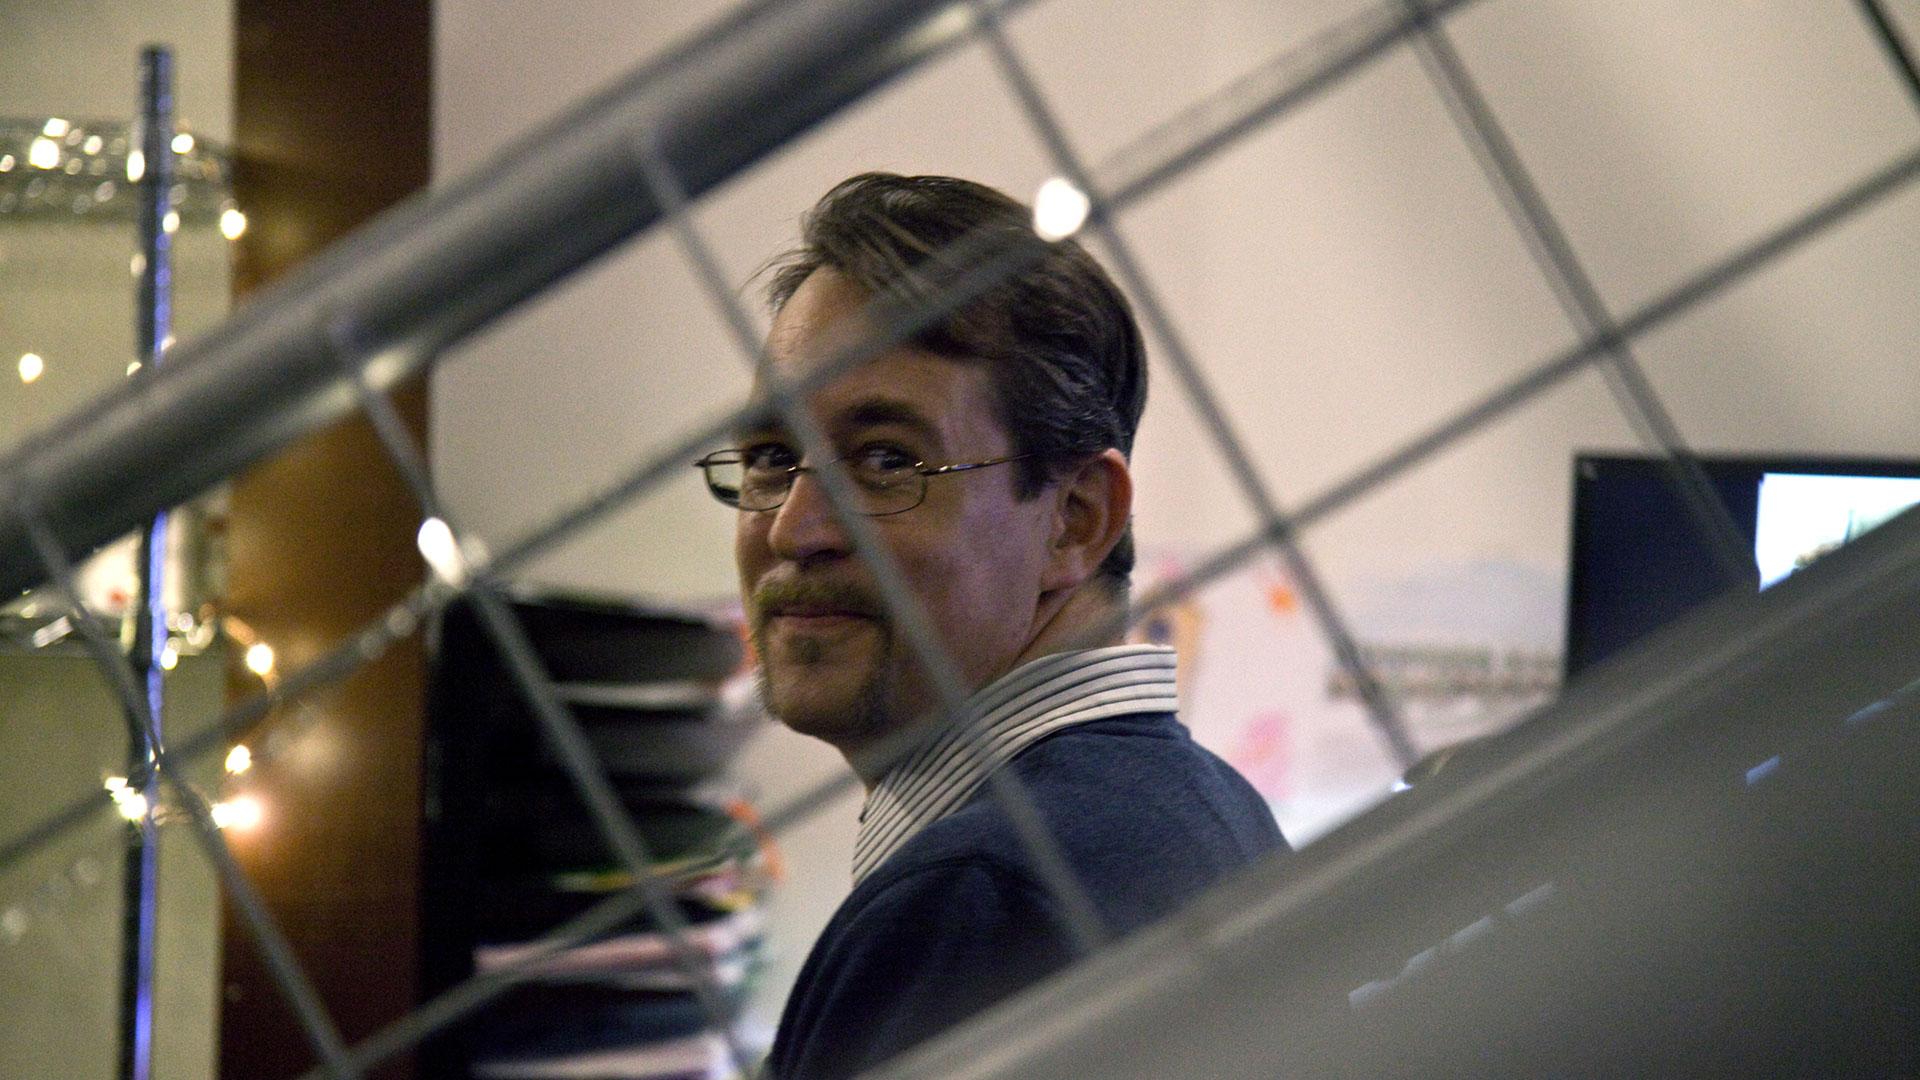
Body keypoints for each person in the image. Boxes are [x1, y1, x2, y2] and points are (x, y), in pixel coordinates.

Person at [694, 173, 1285, 1080]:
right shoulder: (1204, 807)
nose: (793, 527)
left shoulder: (982, 899)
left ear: (1077, 518)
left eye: (886, 459)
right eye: (773, 459)